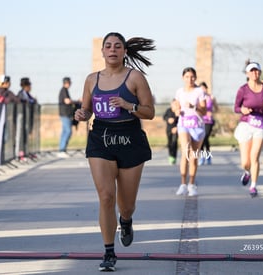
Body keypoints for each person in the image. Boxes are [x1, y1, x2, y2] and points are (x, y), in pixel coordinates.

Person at [74, 32, 155, 272]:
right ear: (102, 51)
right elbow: (86, 110)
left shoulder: (135, 77)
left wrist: (128, 106)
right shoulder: (91, 79)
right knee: (106, 196)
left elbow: (149, 112)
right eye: (108, 46)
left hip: (130, 138)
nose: (112, 50)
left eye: (117, 46)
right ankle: (109, 252)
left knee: (126, 204)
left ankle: (126, 221)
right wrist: (81, 114)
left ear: (124, 52)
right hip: (101, 138)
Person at [234, 62, 263, 198]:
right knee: (245, 162)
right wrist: (243, 110)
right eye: (251, 71)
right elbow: (236, 108)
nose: (254, 73)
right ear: (247, 74)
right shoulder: (242, 90)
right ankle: (247, 172)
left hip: (260, 124)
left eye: (257, 71)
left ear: (260, 72)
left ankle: (253, 186)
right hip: (246, 125)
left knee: (255, 156)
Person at [174, 67, 206, 197]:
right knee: (185, 152)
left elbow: (204, 111)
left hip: (197, 126)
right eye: (187, 77)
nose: (190, 79)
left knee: (193, 157)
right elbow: (176, 105)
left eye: (192, 77)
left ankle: (191, 184)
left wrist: (195, 107)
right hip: (183, 124)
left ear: (195, 78)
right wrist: (177, 110)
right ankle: (182, 184)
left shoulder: (199, 92)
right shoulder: (179, 92)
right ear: (183, 78)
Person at [198, 81, 218, 165]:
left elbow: (217, 108)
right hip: (200, 120)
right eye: (201, 88)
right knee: (202, 139)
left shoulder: (211, 97)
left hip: (209, 121)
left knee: (205, 137)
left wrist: (212, 112)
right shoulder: (198, 98)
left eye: (204, 88)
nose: (203, 90)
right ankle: (203, 156)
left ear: (206, 89)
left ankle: (208, 156)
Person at [58, 77, 77, 158]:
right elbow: (67, 101)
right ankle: (62, 150)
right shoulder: (63, 90)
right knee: (68, 131)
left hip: (67, 114)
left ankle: (62, 149)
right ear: (67, 83)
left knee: (65, 132)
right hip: (65, 114)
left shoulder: (65, 90)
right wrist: (76, 101)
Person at [163, 99, 179, 164]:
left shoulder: (179, 112)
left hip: (176, 129)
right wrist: (168, 119)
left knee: (174, 142)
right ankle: (170, 155)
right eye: (173, 104)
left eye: (175, 104)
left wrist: (177, 127)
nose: (174, 105)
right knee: (170, 143)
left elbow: (180, 121)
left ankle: (174, 157)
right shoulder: (168, 110)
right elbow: (164, 117)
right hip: (169, 129)